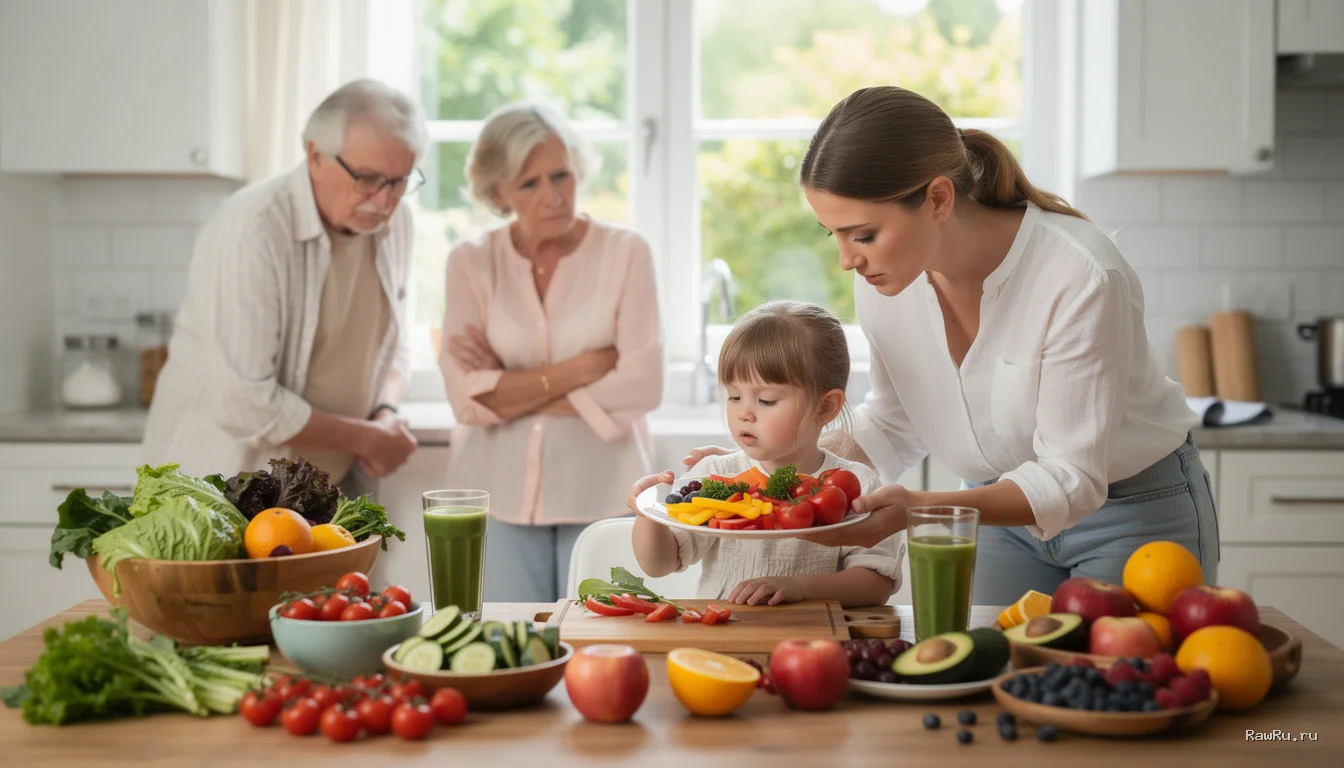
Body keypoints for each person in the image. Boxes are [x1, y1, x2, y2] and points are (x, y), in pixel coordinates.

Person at [636, 86, 1218, 607]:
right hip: (990, 516)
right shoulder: (884, 282)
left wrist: (919, 507)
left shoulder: (1079, 275)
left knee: (1124, 698)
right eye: (833, 234)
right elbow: (893, 423)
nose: (847, 259)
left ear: (938, 199)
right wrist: (767, 469)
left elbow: (1071, 476)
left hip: (1129, 512)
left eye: (863, 234)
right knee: (988, 687)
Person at [143, 79, 425, 493]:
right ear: (314, 156)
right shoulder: (253, 229)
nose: (384, 201)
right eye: (367, 178)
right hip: (222, 486)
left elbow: (392, 343)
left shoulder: (397, 224)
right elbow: (246, 404)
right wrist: (366, 438)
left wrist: (385, 411)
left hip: (328, 484)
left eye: (399, 181)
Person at [440, 102, 663, 603]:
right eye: (530, 184)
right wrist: (582, 370)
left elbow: (642, 384)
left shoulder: (627, 253)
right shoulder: (469, 263)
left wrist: (506, 387)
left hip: (605, 489)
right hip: (493, 492)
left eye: (561, 175)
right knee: (505, 643)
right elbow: (464, 397)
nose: (554, 196)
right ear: (499, 193)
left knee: (599, 649)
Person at [629, 300, 903, 608]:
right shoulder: (714, 474)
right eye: (734, 396)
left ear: (825, 407)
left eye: (767, 400)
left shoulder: (859, 486)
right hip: (721, 639)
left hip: (814, 642)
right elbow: (659, 564)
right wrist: (647, 514)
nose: (744, 413)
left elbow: (876, 583)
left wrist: (800, 587)